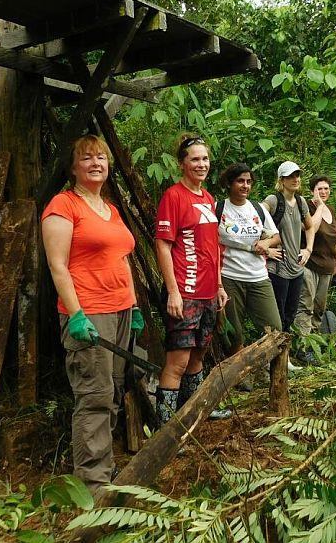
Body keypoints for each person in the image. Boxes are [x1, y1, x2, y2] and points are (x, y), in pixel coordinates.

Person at [41, 135, 136, 496]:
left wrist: (136, 308)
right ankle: (94, 485)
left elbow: (122, 259)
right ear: (72, 167)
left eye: (101, 157)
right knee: (94, 395)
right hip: (90, 313)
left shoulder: (109, 208)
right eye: (87, 158)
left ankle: (106, 468)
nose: (96, 163)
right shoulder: (63, 205)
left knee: (111, 392)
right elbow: (57, 265)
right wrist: (77, 314)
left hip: (121, 310)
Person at [154, 134, 230, 425]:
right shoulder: (173, 196)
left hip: (209, 292)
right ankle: (167, 428)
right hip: (184, 291)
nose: (201, 164)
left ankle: (196, 413)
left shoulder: (208, 198)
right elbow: (162, 244)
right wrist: (172, 291)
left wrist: (220, 286)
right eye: (195, 159)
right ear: (182, 164)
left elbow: (213, 247)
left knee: (199, 356)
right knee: (178, 360)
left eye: (205, 159)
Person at [216, 163, 283, 358]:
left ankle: (271, 369)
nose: (245, 186)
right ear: (229, 183)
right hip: (229, 276)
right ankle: (238, 375)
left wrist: (267, 243)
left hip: (258, 276)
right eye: (240, 181)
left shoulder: (258, 209)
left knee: (274, 328)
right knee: (234, 333)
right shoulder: (218, 208)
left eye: (249, 182)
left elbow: (276, 236)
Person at [262, 161, 318, 336]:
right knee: (276, 317)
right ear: (282, 179)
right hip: (278, 269)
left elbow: (309, 227)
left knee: (290, 316)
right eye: (290, 176)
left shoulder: (301, 202)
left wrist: (308, 249)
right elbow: (254, 219)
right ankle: (270, 357)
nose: (295, 179)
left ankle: (283, 359)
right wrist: (267, 248)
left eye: (297, 175)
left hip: (296, 269)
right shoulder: (273, 201)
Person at [295, 174, 336, 363]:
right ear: (312, 191)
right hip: (310, 264)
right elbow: (311, 230)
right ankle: (302, 346)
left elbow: (335, 240)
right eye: (319, 189)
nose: (323, 192)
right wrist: (319, 207)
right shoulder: (308, 207)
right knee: (305, 305)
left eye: (326, 189)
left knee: (319, 308)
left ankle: (312, 345)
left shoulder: (331, 210)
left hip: (327, 267)